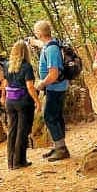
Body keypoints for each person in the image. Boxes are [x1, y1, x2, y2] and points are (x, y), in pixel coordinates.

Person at [32, 20, 71, 161]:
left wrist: (41, 84)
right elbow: (42, 43)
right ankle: (58, 145)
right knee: (55, 116)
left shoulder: (51, 49)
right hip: (55, 87)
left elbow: (53, 74)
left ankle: (61, 149)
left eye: (36, 32)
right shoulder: (50, 44)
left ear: (39, 33)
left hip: (55, 88)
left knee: (49, 116)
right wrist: (34, 42)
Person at [3, 40, 39, 169]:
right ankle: (19, 160)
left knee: (12, 130)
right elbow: (30, 86)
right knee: (22, 131)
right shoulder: (26, 66)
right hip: (23, 101)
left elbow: (5, 83)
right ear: (25, 52)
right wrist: (37, 101)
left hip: (10, 101)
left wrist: (3, 97)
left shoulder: (7, 65)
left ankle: (11, 162)